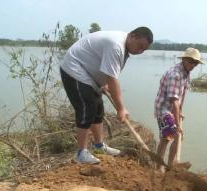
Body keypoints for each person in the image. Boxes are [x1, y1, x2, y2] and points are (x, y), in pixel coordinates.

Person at [60, 27, 153, 164]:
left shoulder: (124, 47)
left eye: (143, 50)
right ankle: (81, 153)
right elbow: (112, 78)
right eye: (140, 46)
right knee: (87, 108)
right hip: (74, 69)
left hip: (88, 75)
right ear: (133, 36)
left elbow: (108, 71)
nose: (140, 51)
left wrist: (103, 83)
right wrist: (121, 108)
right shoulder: (116, 45)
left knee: (98, 109)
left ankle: (99, 147)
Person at [154, 48, 203, 171]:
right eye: (191, 62)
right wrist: (177, 123)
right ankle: (158, 168)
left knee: (177, 136)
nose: (193, 65)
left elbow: (181, 97)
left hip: (173, 108)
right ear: (184, 59)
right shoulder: (175, 75)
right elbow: (174, 100)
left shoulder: (186, 73)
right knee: (168, 137)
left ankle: (170, 166)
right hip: (164, 109)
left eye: (196, 63)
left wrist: (180, 111)